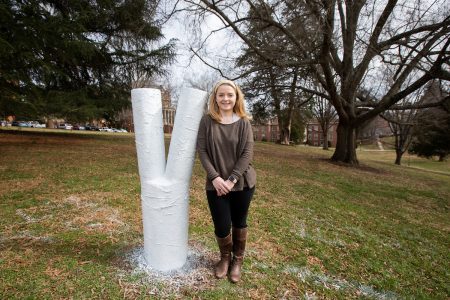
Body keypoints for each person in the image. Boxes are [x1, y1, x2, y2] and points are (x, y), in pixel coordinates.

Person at [197, 79, 256, 283]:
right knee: (222, 225)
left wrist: (231, 180)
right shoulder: (207, 121)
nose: (225, 98)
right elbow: (202, 151)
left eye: (230, 95)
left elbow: (247, 154)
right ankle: (224, 258)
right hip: (215, 184)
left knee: (239, 222)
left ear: (236, 97)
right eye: (221, 95)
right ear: (215, 98)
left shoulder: (243, 122)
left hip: (241, 183)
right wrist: (215, 178)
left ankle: (237, 260)